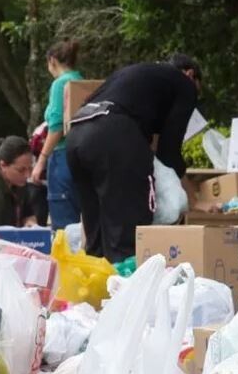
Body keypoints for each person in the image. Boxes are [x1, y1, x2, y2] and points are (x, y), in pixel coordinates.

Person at [65, 55, 201, 262]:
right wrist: (195, 200)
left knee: (96, 238)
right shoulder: (184, 84)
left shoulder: (134, 75)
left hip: (76, 136)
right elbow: (169, 153)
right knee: (126, 236)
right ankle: (127, 290)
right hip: (113, 134)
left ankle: (96, 290)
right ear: (190, 74)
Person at [30, 39, 83, 230]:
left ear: (52, 60)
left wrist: (41, 161)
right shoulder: (81, 80)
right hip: (81, 155)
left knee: (64, 223)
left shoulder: (60, 84)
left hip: (61, 156)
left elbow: (57, 125)